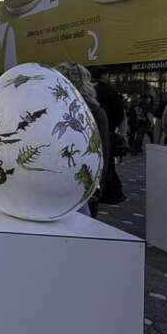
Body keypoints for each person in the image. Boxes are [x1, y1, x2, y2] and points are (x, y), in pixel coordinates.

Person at [56, 63, 109, 218]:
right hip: (67, 183)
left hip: (79, 186)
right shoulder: (93, 111)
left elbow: (101, 155)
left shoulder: (92, 112)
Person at [90, 67, 125, 204]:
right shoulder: (110, 90)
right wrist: (114, 126)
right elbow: (119, 112)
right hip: (107, 129)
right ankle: (109, 193)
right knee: (106, 161)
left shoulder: (88, 90)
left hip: (89, 131)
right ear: (104, 75)